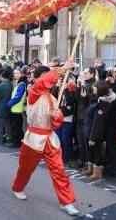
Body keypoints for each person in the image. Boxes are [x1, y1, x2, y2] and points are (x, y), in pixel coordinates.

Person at [11, 62, 80, 216]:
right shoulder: (33, 92)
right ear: (36, 79)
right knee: (25, 168)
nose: (50, 81)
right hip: (33, 138)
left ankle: (66, 201)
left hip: (49, 138)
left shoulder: (53, 98)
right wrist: (62, 69)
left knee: (59, 170)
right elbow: (44, 82)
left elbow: (56, 123)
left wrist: (57, 116)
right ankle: (18, 187)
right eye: (44, 77)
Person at [88, 81, 116, 180]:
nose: (93, 89)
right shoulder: (100, 100)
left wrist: (92, 137)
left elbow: (98, 122)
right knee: (96, 151)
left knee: (97, 151)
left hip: (100, 132)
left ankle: (97, 173)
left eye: (95, 88)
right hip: (100, 130)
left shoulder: (104, 104)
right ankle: (93, 169)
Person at [75, 67, 97, 170]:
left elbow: (92, 103)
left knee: (85, 141)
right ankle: (81, 160)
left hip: (87, 118)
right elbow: (77, 100)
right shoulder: (83, 85)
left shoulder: (93, 85)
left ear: (92, 74)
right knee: (80, 141)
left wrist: (84, 97)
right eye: (83, 72)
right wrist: (78, 88)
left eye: (86, 73)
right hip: (79, 116)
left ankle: (87, 162)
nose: (84, 74)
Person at [56, 77, 77, 165]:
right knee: (58, 138)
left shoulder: (71, 90)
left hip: (67, 119)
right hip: (58, 118)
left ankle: (67, 158)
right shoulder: (59, 89)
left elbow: (71, 102)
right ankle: (59, 157)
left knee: (65, 139)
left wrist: (67, 90)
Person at [7, 68, 27, 148]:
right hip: (15, 108)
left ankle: (17, 143)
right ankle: (17, 142)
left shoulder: (21, 84)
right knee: (16, 127)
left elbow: (17, 97)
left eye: (17, 73)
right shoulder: (18, 83)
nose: (16, 75)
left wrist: (9, 104)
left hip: (17, 109)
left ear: (21, 74)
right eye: (14, 73)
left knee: (16, 127)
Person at [0, 68, 13, 145]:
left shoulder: (1, 85)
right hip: (9, 107)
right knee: (8, 125)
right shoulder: (11, 84)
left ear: (2, 76)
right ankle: (9, 139)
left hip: (1, 107)